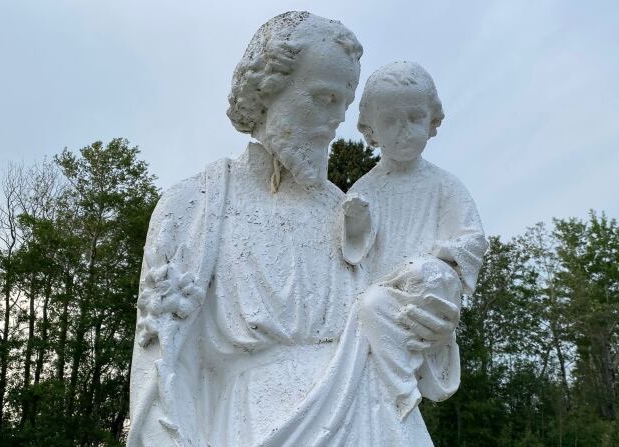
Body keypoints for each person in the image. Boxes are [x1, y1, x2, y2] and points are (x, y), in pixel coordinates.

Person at [128, 13, 462, 447]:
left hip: (378, 417)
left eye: (342, 105)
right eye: (323, 98)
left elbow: (392, 327)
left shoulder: (350, 213)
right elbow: (161, 370)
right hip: (257, 422)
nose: (334, 121)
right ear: (268, 90)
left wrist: (429, 325)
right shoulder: (197, 204)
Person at [343, 61, 489, 419]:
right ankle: (400, 393)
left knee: (423, 273)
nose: (404, 131)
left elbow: (473, 241)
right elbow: (349, 258)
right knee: (371, 304)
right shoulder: (365, 189)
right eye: (391, 121)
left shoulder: (445, 185)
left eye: (414, 118)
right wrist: (355, 227)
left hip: (425, 293)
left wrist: (442, 256)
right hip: (381, 301)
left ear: (432, 121)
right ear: (371, 130)